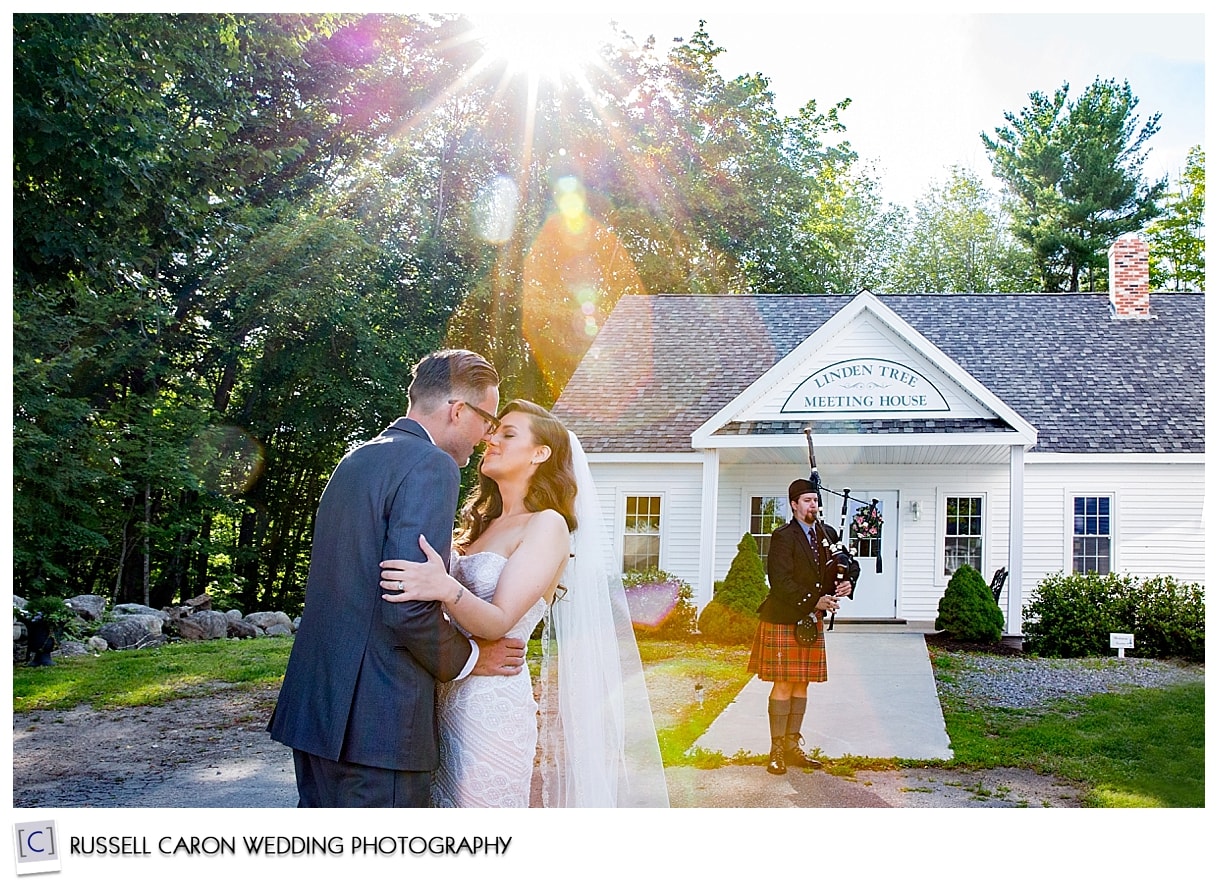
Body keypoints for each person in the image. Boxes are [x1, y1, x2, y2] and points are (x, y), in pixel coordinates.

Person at [267, 350, 527, 808]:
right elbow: (405, 603)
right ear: (458, 410)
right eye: (487, 421)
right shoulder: (432, 465)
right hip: (379, 722)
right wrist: (471, 658)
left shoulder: (356, 460)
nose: (486, 436)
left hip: (317, 711)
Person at [380, 399, 669, 807]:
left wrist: (444, 587)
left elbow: (497, 622)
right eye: (493, 432)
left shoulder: (547, 524)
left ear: (540, 454)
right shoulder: (479, 523)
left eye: (507, 434)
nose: (490, 439)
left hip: (489, 709)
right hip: (443, 697)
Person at [748, 478, 854, 775]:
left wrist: (848, 582)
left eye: (815, 500)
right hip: (783, 617)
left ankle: (793, 747)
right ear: (794, 504)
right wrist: (814, 602)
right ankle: (777, 750)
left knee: (801, 683)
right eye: (807, 500)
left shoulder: (827, 534)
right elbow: (780, 581)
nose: (813, 505)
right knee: (783, 683)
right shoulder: (783, 537)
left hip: (810, 621)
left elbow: (848, 563)